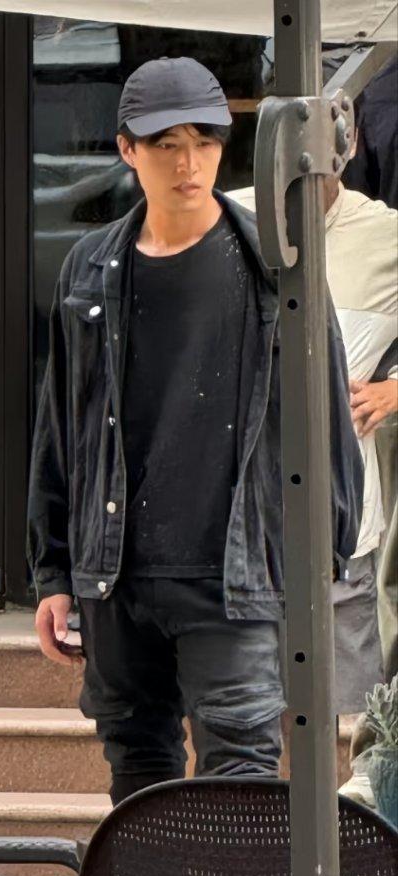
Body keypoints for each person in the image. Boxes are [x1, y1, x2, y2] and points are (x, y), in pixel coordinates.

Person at [28, 56, 363, 804]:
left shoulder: (276, 264)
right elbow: (63, 428)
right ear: (127, 150)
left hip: (234, 576)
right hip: (117, 574)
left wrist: (327, 558)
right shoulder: (90, 268)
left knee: (240, 770)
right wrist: (53, 573)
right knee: (135, 772)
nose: (189, 163)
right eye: (167, 144)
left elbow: (327, 417)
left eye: (205, 142)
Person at [230, 163, 397, 799]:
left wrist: (394, 390)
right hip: (235, 521)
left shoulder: (385, 234)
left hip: (341, 520)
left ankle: (340, 848)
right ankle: (259, 841)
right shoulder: (222, 216)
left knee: (345, 717)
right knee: (240, 709)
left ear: (344, 150)